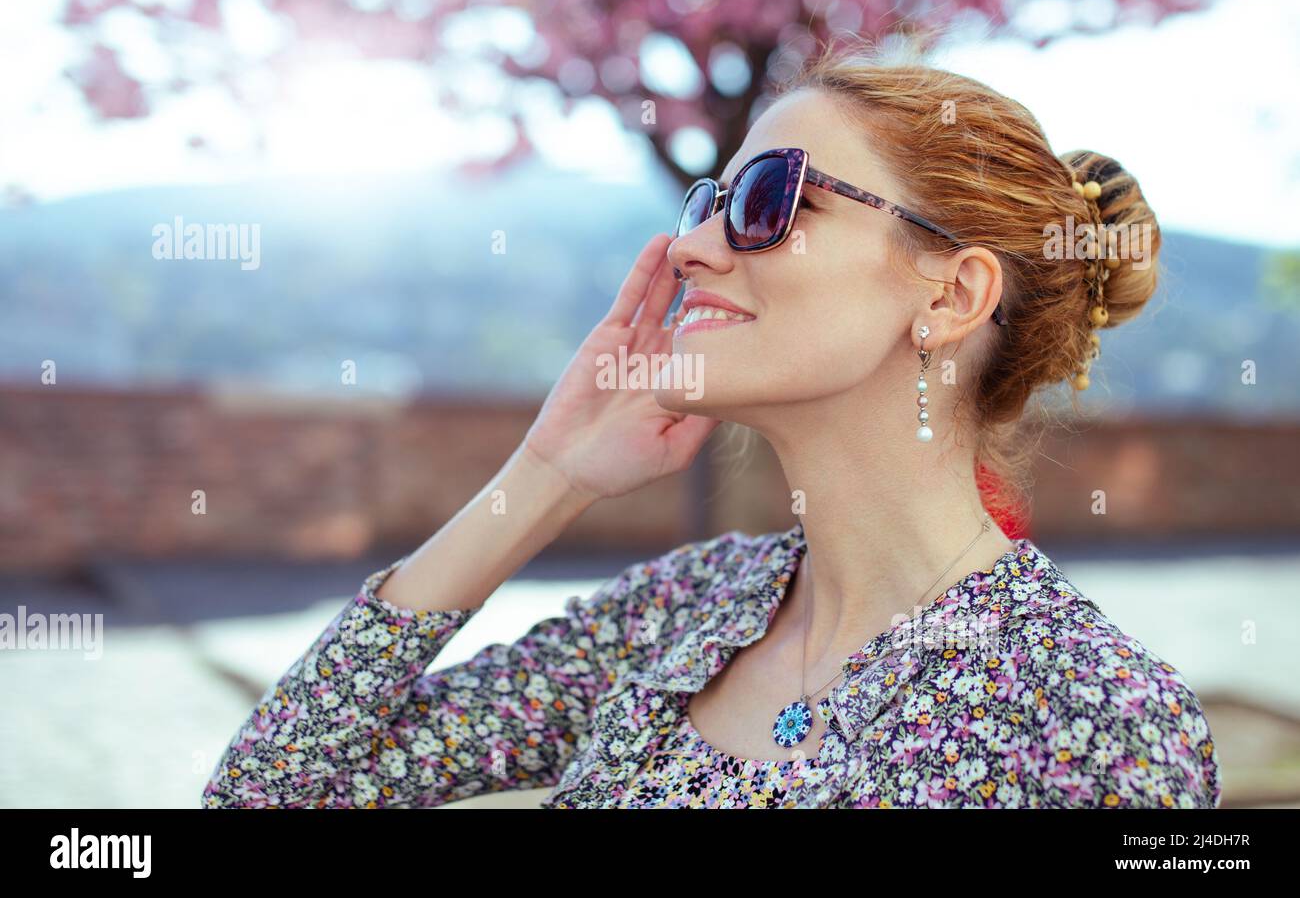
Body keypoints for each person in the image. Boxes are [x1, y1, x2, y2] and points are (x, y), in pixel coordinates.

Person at [202, 47, 1220, 809]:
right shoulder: (689, 607)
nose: (690, 245)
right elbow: (273, 789)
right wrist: (547, 470)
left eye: (768, 199)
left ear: (952, 295)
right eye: (708, 200)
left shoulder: (1094, 720)